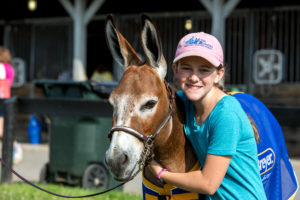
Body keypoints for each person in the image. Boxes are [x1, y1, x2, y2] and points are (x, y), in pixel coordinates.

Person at [149, 32, 267, 199]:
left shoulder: (226, 115)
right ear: (175, 69)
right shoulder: (184, 102)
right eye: (187, 68)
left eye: (204, 70)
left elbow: (208, 184)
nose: (194, 77)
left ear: (219, 74)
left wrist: (160, 174)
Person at [0, 46, 23, 165]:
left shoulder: (3, 68)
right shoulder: (9, 69)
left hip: (2, 102)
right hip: (6, 100)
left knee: (1, 131)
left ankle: (16, 146)